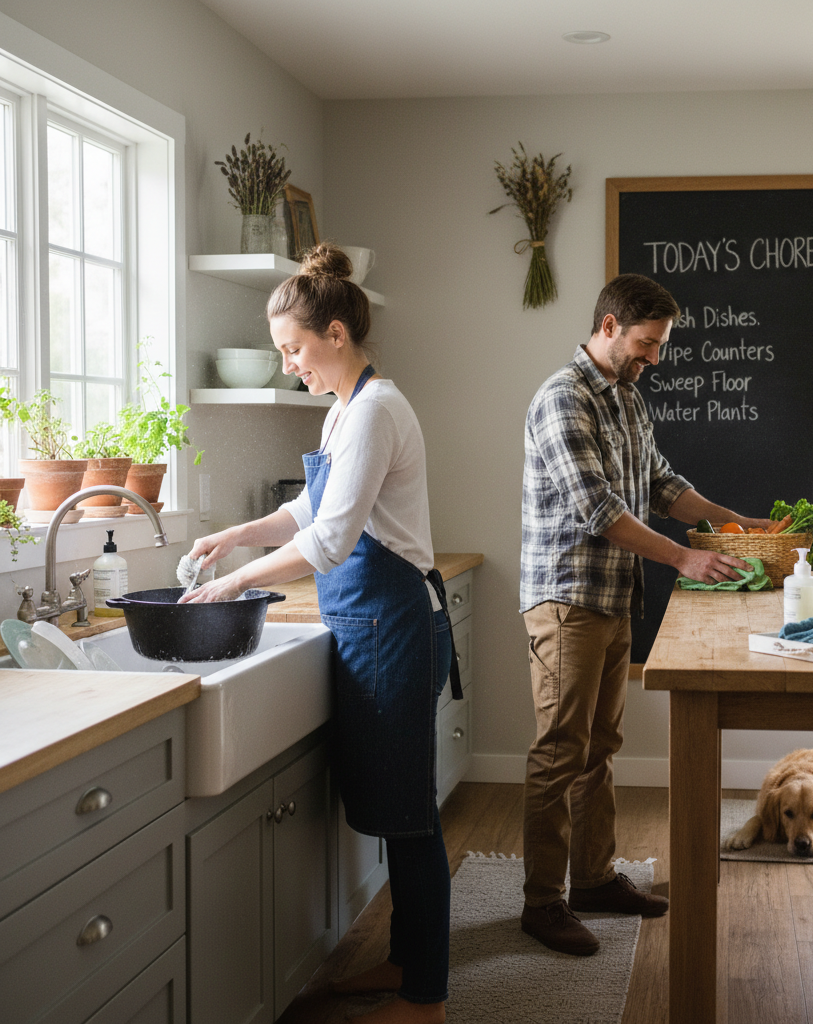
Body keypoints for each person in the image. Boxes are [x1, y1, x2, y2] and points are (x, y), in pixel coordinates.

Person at [181, 243, 456, 1024]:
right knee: (398, 810)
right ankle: (405, 961)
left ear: (336, 334)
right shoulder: (344, 409)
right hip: (370, 626)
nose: (288, 365)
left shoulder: (374, 411)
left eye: (293, 348)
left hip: (394, 629)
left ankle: (426, 1000)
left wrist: (236, 582)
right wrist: (235, 535)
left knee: (410, 818)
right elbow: (309, 512)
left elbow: (330, 543)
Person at [519, 273, 770, 956]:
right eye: (646, 344)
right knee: (559, 752)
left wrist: (734, 523)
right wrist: (684, 558)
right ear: (608, 327)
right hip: (567, 600)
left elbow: (662, 485)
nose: (654, 359)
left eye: (660, 346)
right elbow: (597, 509)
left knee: (599, 749)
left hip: (611, 597)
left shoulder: (625, 397)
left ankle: (593, 880)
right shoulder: (563, 399)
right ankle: (541, 904)